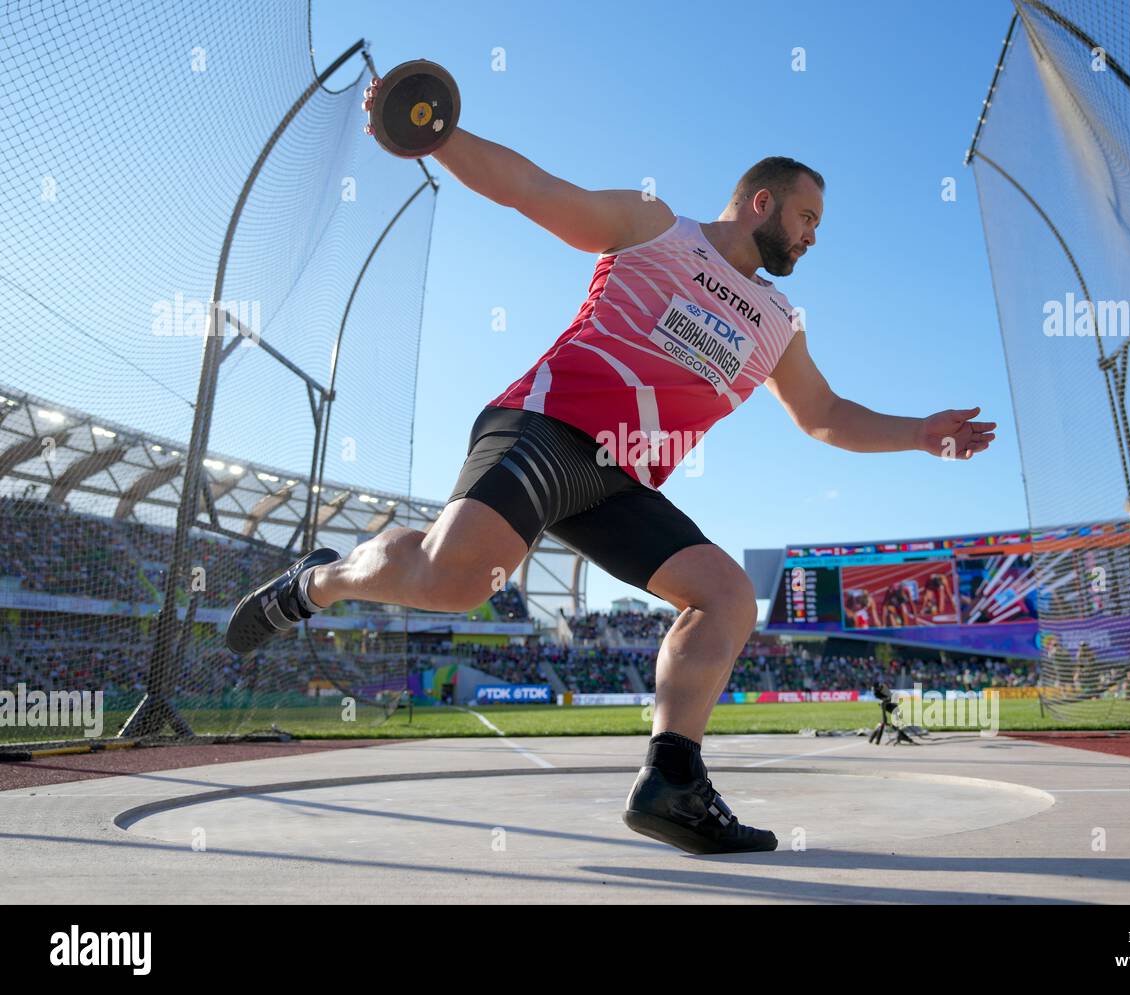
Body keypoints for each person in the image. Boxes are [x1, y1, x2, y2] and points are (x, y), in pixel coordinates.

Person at [224, 77, 996, 855]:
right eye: (807, 217)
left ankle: (673, 782)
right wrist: (437, 134)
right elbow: (533, 190)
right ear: (761, 202)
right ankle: (315, 581)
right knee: (454, 580)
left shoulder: (779, 323)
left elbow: (825, 415)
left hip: (618, 479)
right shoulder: (654, 227)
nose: (813, 237)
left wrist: (922, 432)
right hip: (548, 425)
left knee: (727, 596)